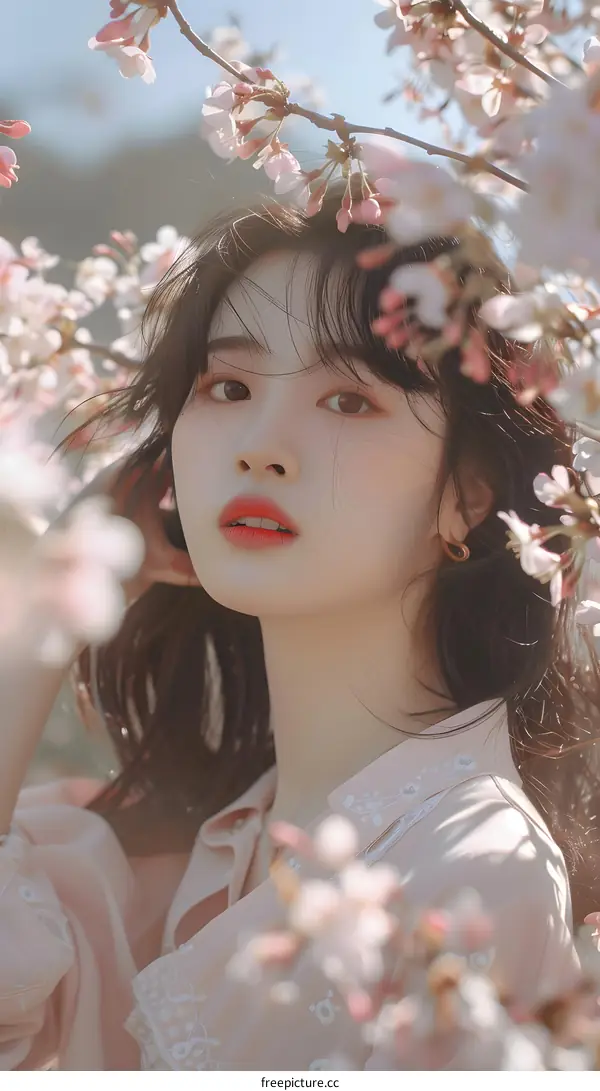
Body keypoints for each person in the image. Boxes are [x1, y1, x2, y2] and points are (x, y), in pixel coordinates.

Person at [0, 186, 598, 1071]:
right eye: (228, 386)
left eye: (350, 400)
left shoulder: (473, 872)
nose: (260, 445)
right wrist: (55, 596)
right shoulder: (167, 861)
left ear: (467, 495)